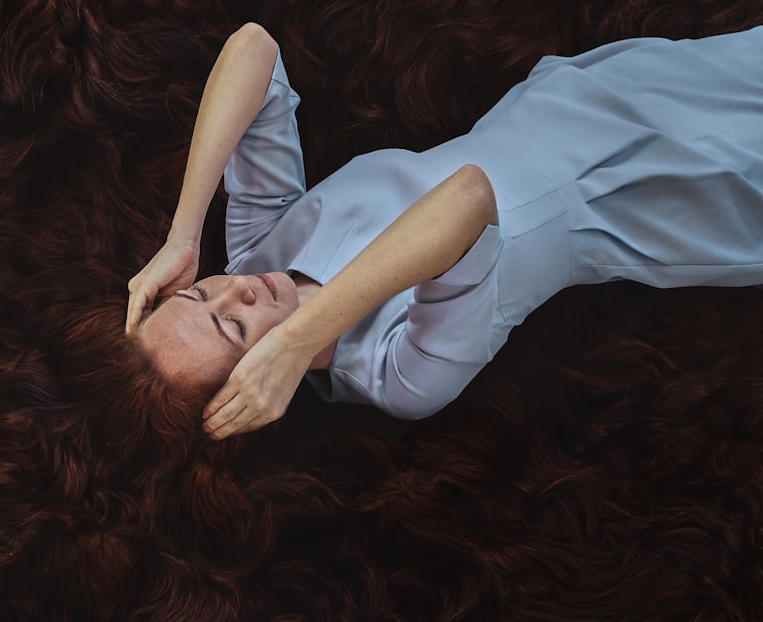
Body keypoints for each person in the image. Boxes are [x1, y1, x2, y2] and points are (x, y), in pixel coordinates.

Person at [125, 22, 763, 441]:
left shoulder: (261, 248)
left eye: (200, 294)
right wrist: (297, 344)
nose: (237, 291)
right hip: (657, 195)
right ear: (257, 387)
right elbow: (466, 197)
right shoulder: (397, 376)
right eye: (234, 327)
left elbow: (255, 47)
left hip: (580, 100)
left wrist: (183, 236)